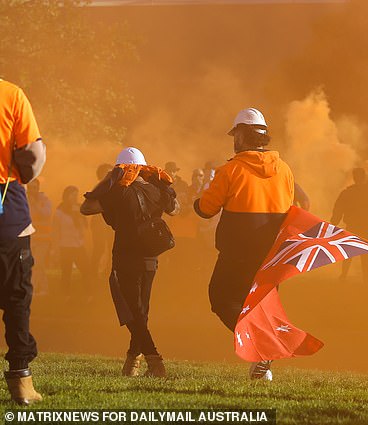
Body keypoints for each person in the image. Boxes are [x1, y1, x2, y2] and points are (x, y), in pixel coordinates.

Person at [194, 107, 294, 381]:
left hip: (237, 252)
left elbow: (205, 208)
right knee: (261, 306)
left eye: (235, 134)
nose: (233, 140)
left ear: (242, 135)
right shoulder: (284, 169)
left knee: (221, 298)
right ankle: (262, 368)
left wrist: (198, 200)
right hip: (272, 255)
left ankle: (262, 348)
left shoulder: (231, 170)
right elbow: (289, 208)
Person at [81, 147, 178, 377]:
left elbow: (86, 207)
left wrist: (108, 179)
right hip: (150, 259)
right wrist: (160, 183)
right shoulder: (155, 190)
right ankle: (132, 362)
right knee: (140, 311)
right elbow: (175, 209)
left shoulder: (118, 192)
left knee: (132, 312)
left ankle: (154, 361)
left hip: (125, 257)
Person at [0, 79, 46, 404]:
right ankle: (21, 380)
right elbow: (31, 153)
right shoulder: (10, 94)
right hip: (5, 201)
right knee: (16, 294)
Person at [330, 168, 368, 282]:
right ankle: (365, 277)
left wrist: (334, 222)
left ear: (354, 177)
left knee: (349, 251)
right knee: (365, 253)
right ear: (364, 177)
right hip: (367, 225)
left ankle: (344, 275)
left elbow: (338, 208)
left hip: (352, 225)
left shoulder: (348, 192)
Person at [52, 185, 89, 296]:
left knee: (86, 270)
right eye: (72, 195)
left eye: (76, 195)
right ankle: (65, 295)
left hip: (78, 245)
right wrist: (55, 248)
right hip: (66, 246)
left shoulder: (79, 208)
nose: (75, 197)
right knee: (66, 272)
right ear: (66, 196)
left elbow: (85, 226)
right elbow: (56, 231)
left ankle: (88, 294)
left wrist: (78, 215)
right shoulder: (60, 211)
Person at [26, 178, 52, 295]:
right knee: (31, 264)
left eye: (35, 188)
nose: (33, 190)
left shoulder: (45, 200)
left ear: (38, 188)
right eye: (30, 188)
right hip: (29, 237)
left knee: (38, 263)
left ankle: (37, 288)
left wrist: (35, 203)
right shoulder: (24, 200)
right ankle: (41, 288)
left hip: (43, 238)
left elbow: (46, 214)